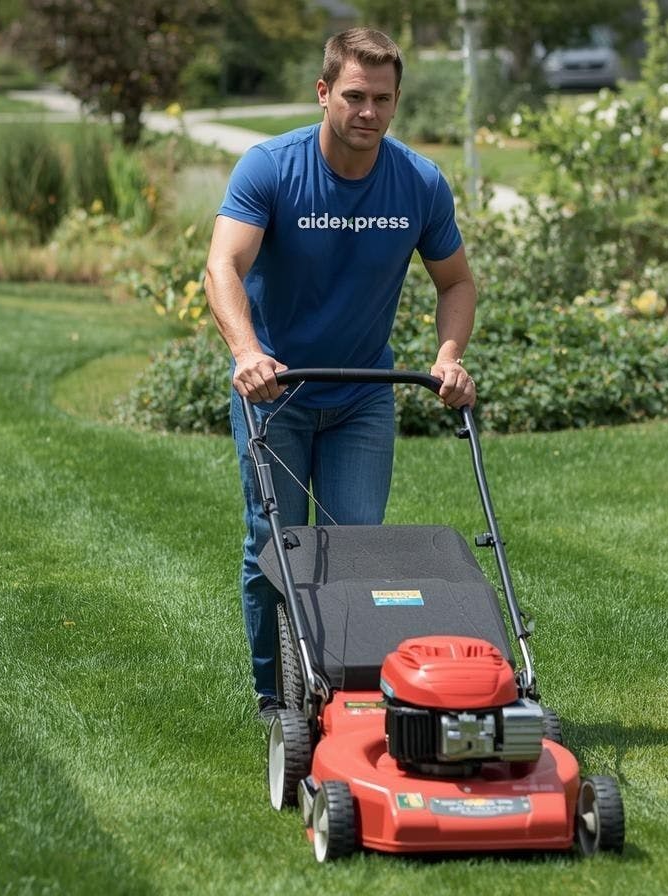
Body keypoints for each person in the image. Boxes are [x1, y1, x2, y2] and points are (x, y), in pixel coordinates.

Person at [204, 27, 479, 718]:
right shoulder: (271, 167)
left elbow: (456, 283)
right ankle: (275, 699)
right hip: (276, 393)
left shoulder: (418, 181)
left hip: (364, 398)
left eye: (383, 100)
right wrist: (246, 353)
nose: (369, 113)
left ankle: (342, 693)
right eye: (354, 96)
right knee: (274, 546)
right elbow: (223, 267)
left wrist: (447, 358)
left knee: (355, 551)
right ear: (324, 92)